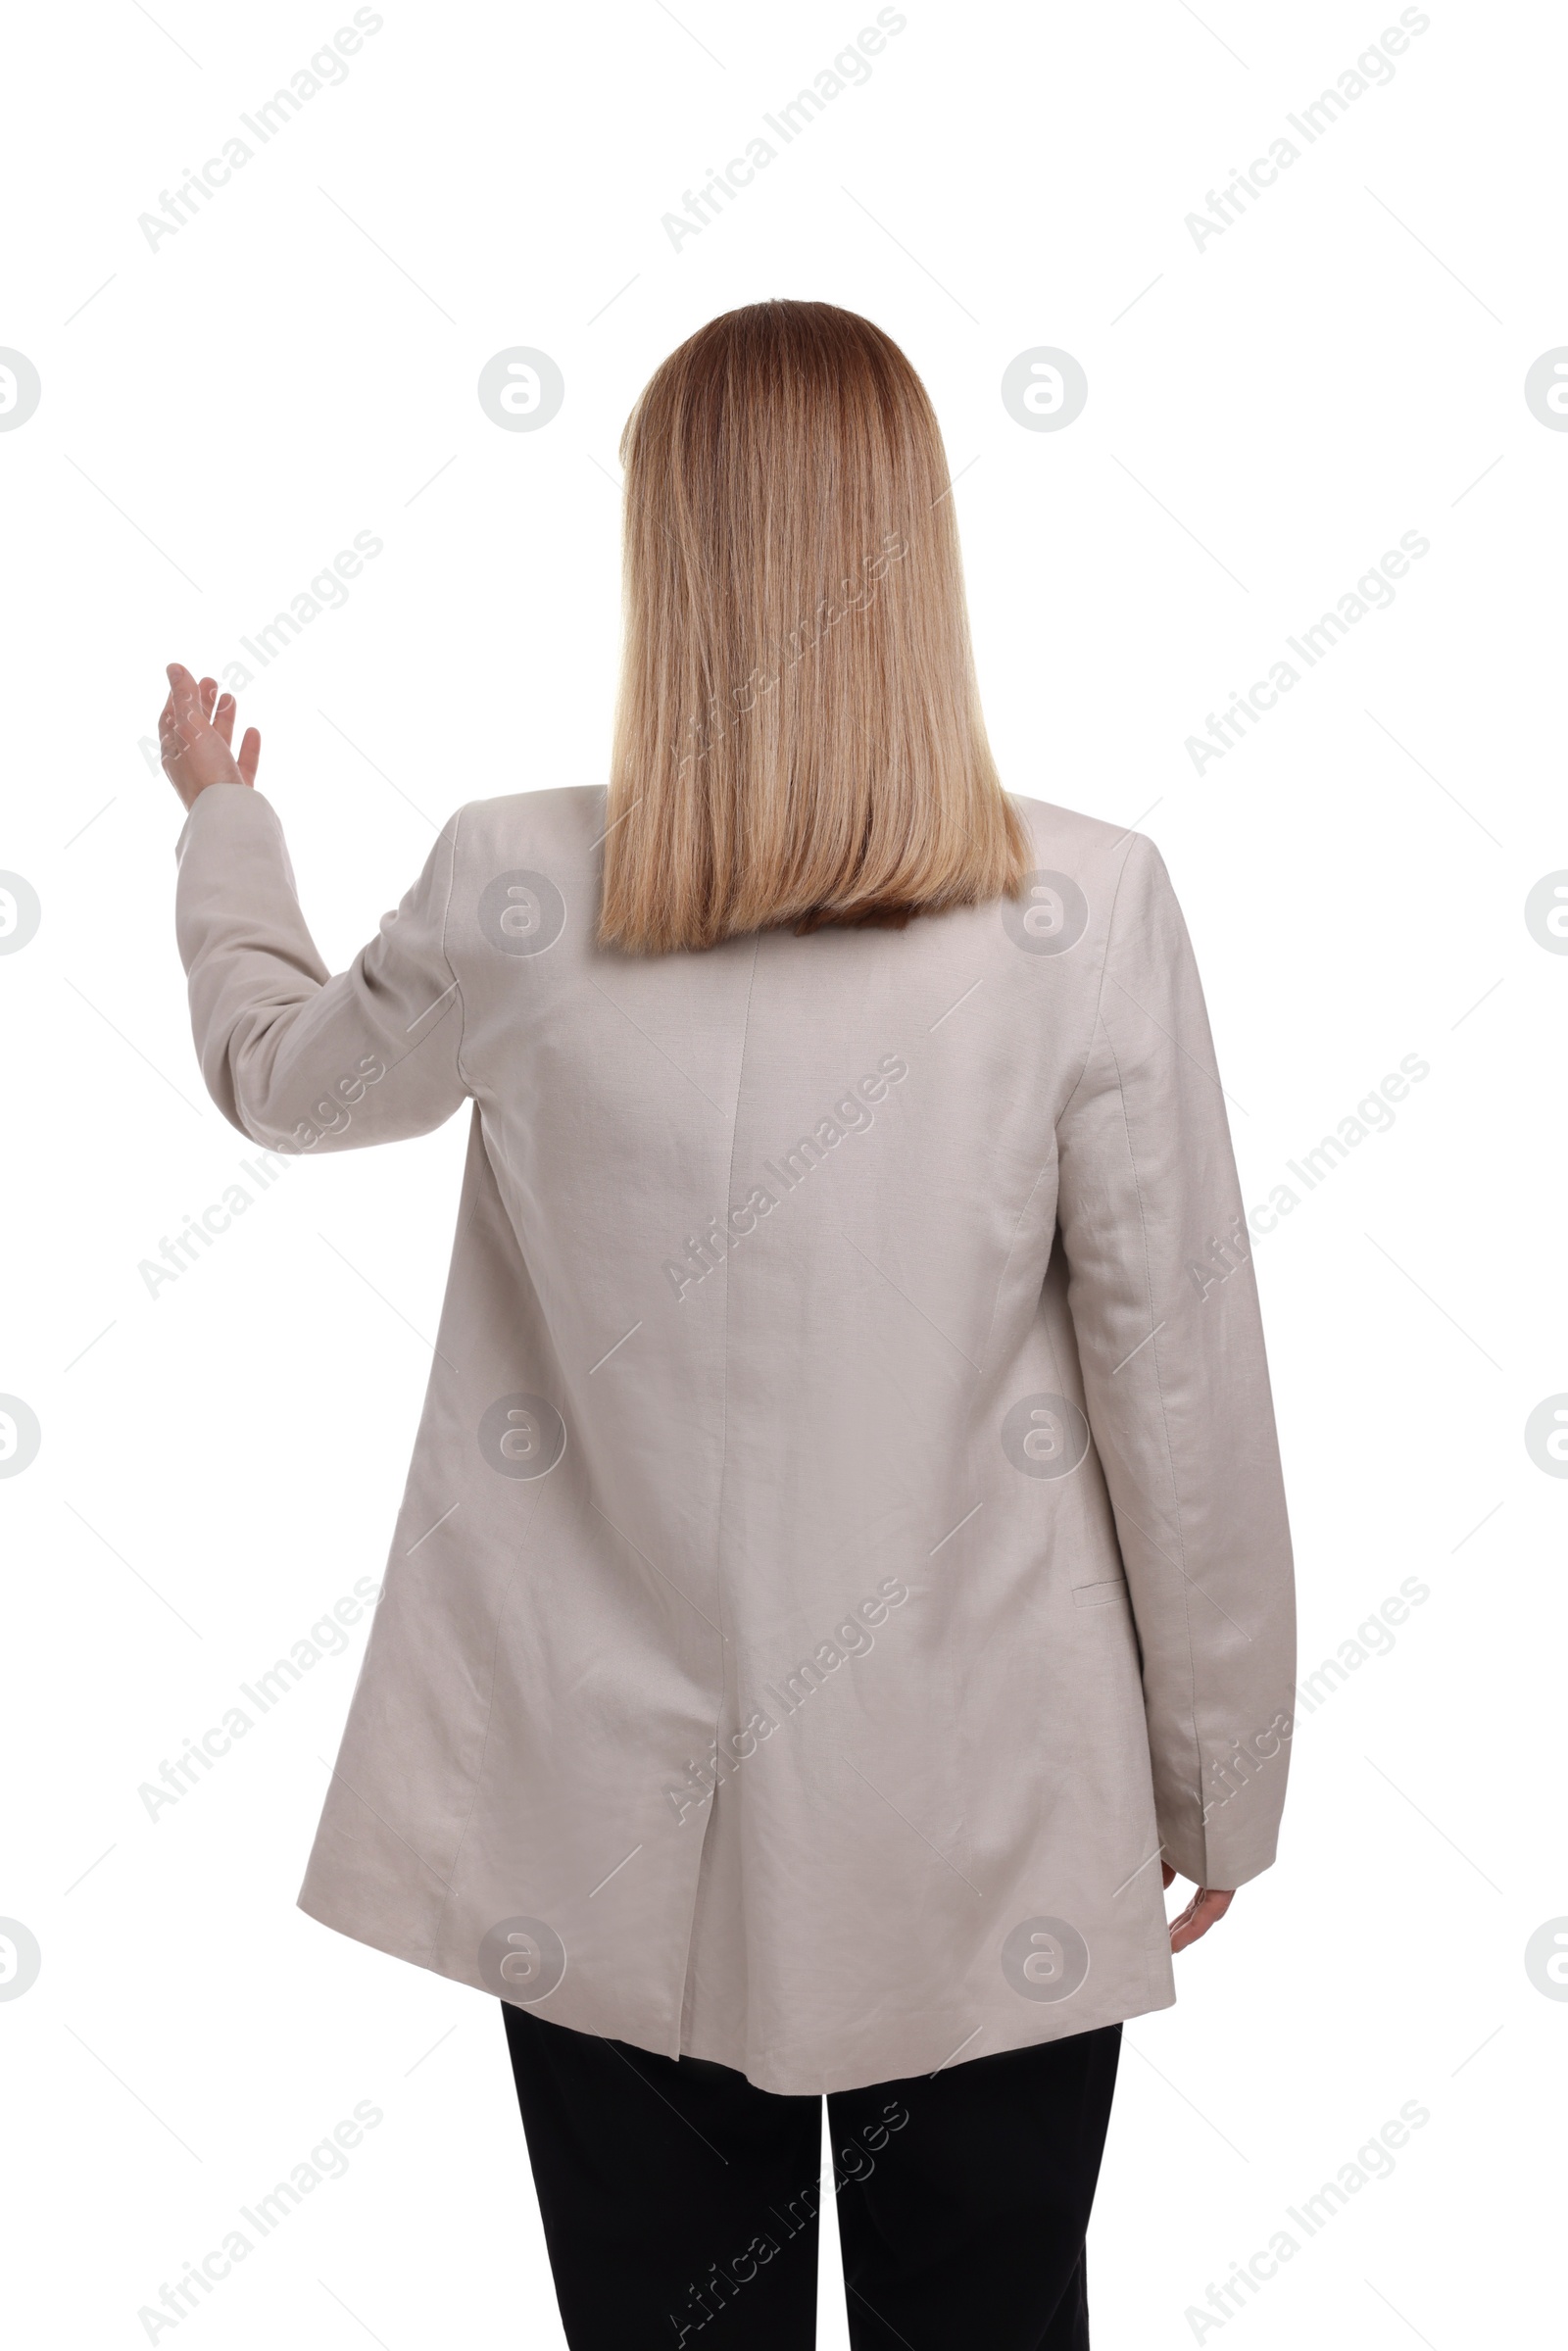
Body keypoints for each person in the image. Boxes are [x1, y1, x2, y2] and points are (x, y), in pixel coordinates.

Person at [159, 299, 1295, 2349]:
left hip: (609, 1841)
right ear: (917, 545)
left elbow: (279, 1080)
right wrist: (1215, 1778)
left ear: (661, 554)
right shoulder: (1086, 907)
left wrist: (219, 828)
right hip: (991, 1820)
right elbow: (1179, 1385)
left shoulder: (520, 886)